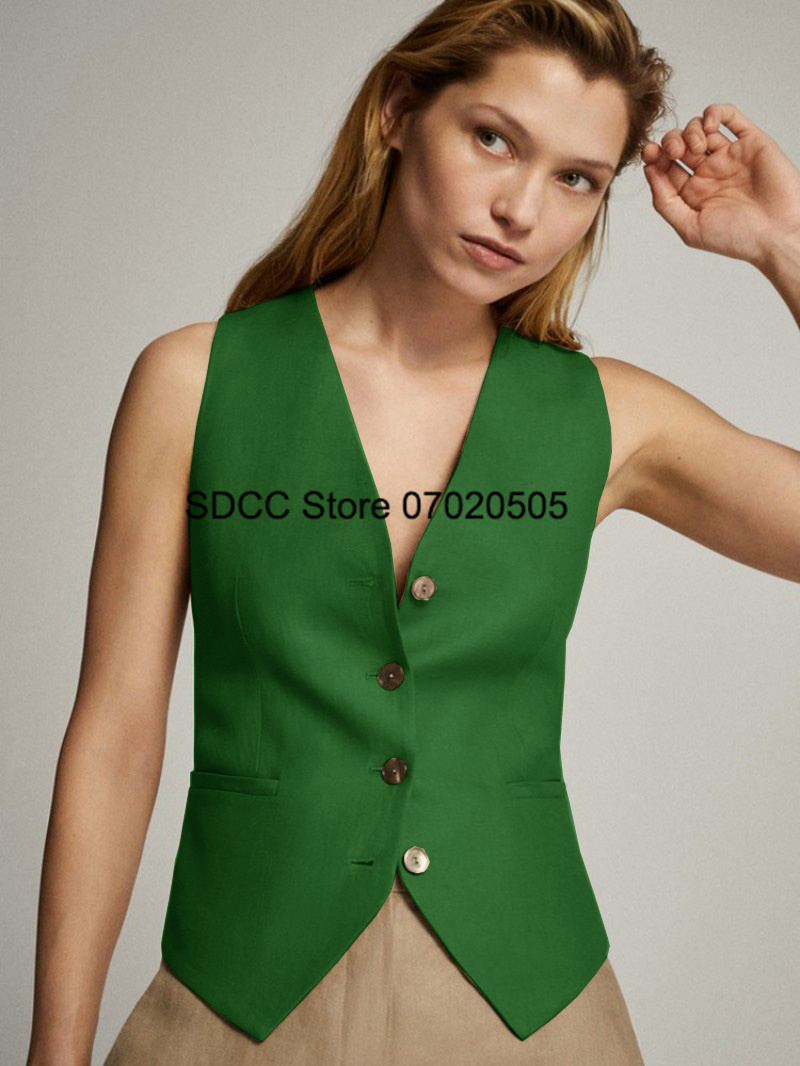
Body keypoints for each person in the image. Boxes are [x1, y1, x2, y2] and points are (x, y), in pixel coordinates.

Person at [26, 1, 800, 1063]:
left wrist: (784, 247)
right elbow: (115, 738)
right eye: (493, 138)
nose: (520, 209)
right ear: (397, 110)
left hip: (531, 1013)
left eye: (577, 179)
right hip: (235, 1003)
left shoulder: (609, 416)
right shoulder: (194, 383)